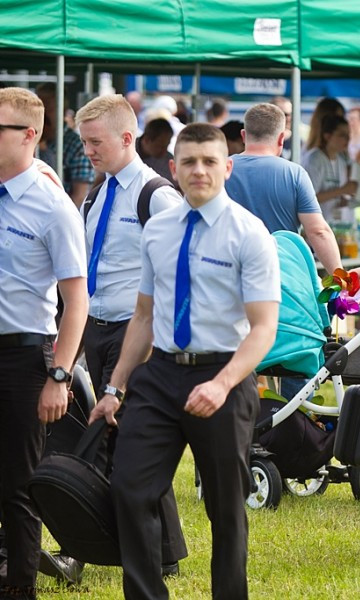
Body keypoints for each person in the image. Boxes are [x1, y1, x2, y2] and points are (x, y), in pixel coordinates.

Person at [89, 123, 280, 599]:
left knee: (225, 508)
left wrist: (222, 384)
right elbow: (143, 315)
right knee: (131, 489)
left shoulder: (249, 233)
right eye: (189, 162)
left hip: (224, 375)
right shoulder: (158, 229)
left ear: (227, 167)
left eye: (209, 161)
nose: (199, 170)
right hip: (160, 375)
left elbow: (263, 328)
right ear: (173, 168)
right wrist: (114, 388)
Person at [38, 94, 189, 584]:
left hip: (137, 334)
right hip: (97, 331)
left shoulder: (156, 196)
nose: (87, 151)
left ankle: (137, 551)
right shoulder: (97, 195)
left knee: (132, 444)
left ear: (127, 138)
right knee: (116, 440)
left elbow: (178, 275)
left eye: (95, 142)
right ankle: (155, 549)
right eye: (84, 142)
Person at [0, 87, 88, 600]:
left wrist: (60, 374)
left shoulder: (53, 205)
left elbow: (76, 301)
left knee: (18, 483)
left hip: (23, 356)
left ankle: (21, 586)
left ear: (29, 135)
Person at [224, 102, 341, 273]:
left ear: (243, 135)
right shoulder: (295, 174)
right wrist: (342, 279)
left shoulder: (221, 169)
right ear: (281, 138)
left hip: (230, 272)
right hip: (283, 275)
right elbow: (318, 231)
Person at [35, 83, 94, 205]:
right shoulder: (27, 138)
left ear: (62, 110)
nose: (41, 115)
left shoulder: (76, 145)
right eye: (37, 108)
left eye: (47, 109)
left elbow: (80, 196)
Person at [301, 114, 358, 223]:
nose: (348, 139)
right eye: (342, 135)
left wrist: (351, 199)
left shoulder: (340, 160)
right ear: (327, 136)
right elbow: (309, 199)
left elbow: (336, 195)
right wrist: (343, 190)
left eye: (348, 135)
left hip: (336, 225)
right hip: (317, 225)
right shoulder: (314, 159)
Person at [136, 118, 175, 183]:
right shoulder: (126, 150)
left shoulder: (168, 162)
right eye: (160, 146)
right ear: (147, 140)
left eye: (166, 146)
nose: (164, 151)